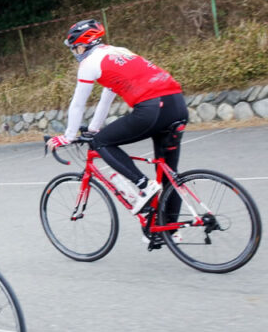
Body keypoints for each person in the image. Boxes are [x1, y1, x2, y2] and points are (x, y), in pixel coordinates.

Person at [47, 19, 187, 215]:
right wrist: (94, 127)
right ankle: (171, 231)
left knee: (101, 143)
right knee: (168, 176)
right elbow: (107, 96)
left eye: (76, 48)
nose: (75, 53)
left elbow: (78, 104)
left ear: (84, 45)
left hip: (152, 108)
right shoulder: (119, 51)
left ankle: (144, 185)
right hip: (177, 104)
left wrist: (68, 136)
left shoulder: (89, 63)